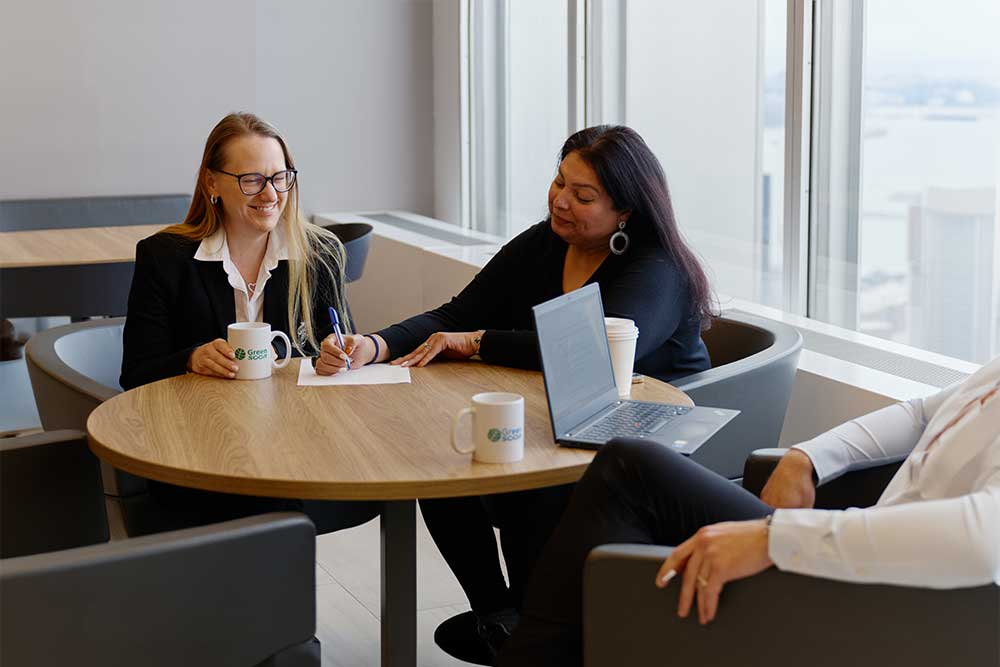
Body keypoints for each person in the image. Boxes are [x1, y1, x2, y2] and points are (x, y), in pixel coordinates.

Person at [316, 125, 716, 663]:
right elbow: (458, 314)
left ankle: (539, 629)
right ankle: (501, 618)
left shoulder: (656, 267)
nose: (561, 201)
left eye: (583, 196)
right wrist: (375, 344)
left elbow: (588, 349)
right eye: (559, 183)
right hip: (564, 417)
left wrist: (481, 343)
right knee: (442, 464)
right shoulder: (545, 242)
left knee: (530, 483)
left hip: (652, 440)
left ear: (626, 211)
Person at [496, 356, 1000, 666]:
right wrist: (810, 457)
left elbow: (983, 542)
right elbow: (921, 413)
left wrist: (775, 538)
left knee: (629, 473)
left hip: (906, 610)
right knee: (630, 467)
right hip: (869, 566)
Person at [119, 111, 378, 533]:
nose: (271, 193)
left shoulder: (319, 254)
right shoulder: (165, 258)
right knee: (271, 512)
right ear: (211, 183)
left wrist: (338, 356)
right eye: (252, 180)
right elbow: (135, 375)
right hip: (202, 453)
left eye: (280, 177)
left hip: (299, 447)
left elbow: (342, 353)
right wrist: (191, 359)